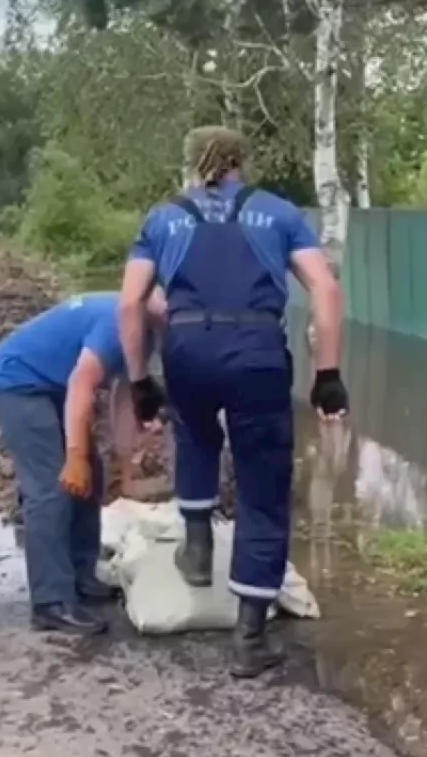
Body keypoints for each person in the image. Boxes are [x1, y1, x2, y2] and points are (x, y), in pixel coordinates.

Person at [118, 126, 347, 679]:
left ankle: (196, 553)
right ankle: (249, 637)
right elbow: (326, 289)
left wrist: (141, 382)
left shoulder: (163, 217)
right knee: (263, 485)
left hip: (188, 349)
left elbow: (130, 303)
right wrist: (328, 375)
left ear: (193, 164)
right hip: (257, 352)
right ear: (241, 162)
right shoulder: (279, 212)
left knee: (195, 437)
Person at [0, 290, 168, 636]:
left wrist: (125, 466)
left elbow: (125, 394)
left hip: (51, 385)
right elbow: (82, 383)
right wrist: (75, 456)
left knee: (91, 476)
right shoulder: (119, 323)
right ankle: (51, 601)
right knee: (51, 487)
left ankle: (82, 576)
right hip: (16, 383)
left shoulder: (146, 330)